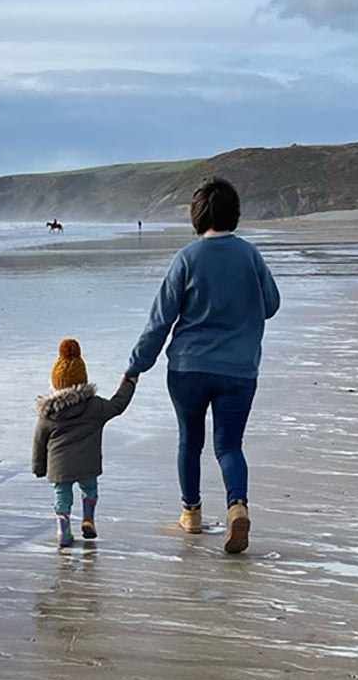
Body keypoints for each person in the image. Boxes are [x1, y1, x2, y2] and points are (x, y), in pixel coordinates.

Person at [125, 177, 280, 555]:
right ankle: (237, 506)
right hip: (239, 369)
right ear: (235, 214)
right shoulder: (250, 256)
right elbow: (272, 305)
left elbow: (160, 321)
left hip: (188, 369)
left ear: (197, 216)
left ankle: (191, 515)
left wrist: (136, 366)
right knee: (229, 446)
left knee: (189, 441)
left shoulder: (187, 259)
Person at [33, 338, 136, 551]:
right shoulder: (95, 406)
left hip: (59, 467)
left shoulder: (49, 414)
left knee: (62, 495)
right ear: (84, 380)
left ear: (55, 383)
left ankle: (64, 530)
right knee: (90, 489)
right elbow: (118, 405)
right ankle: (88, 519)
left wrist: (39, 468)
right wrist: (128, 384)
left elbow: (39, 442)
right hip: (88, 464)